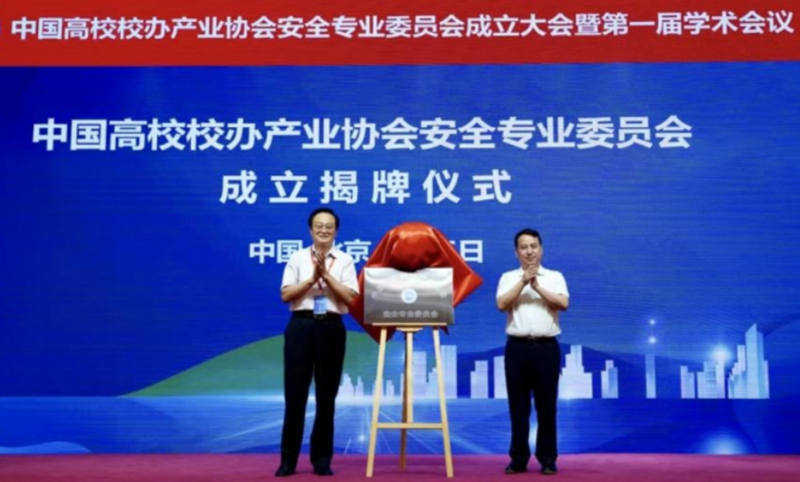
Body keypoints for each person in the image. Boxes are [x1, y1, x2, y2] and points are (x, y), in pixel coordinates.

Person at [275, 208, 359, 477]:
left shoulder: (345, 260)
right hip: (301, 325)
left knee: (327, 396)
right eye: (319, 226)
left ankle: (321, 460)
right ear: (310, 229)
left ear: (336, 231)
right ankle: (288, 460)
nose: (324, 230)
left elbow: (351, 298)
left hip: (331, 327)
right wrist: (312, 278)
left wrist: (327, 276)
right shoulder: (297, 257)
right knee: (294, 395)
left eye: (329, 226)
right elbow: (286, 294)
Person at [496, 228, 569, 476]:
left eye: (533, 246)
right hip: (517, 349)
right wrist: (523, 282)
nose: (529, 251)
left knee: (547, 406)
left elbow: (563, 303)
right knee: (518, 407)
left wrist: (537, 286)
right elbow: (502, 304)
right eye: (524, 247)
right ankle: (518, 459)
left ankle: (548, 458)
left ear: (541, 249)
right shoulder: (508, 277)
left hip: (546, 348)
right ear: (516, 252)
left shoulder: (555, 277)